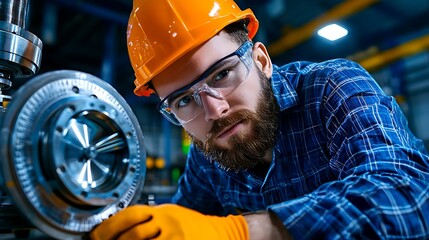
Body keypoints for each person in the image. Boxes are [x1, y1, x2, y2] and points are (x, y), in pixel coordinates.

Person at [90, 0, 429, 239]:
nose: (214, 111)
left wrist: (241, 232)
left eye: (222, 74)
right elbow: (184, 222)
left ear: (261, 60)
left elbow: (409, 199)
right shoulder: (206, 157)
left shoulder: (333, 88)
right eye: (184, 100)